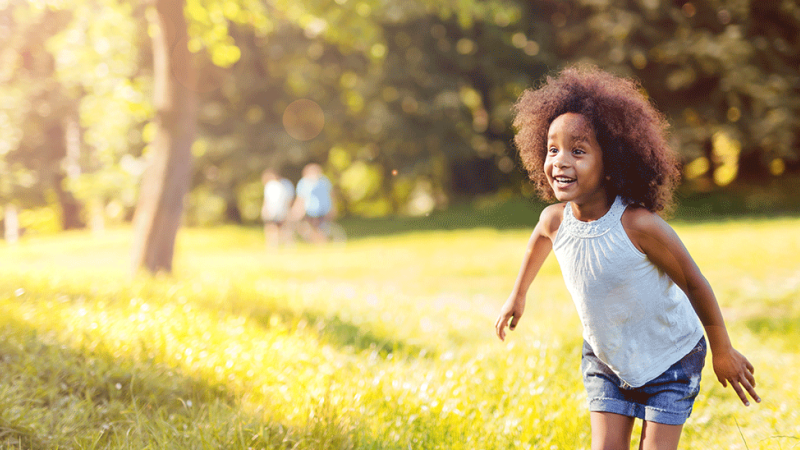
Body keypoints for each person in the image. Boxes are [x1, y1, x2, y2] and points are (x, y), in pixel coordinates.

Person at [494, 66, 760, 450]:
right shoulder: (555, 220)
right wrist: (518, 294)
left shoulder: (639, 226)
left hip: (671, 358)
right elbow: (539, 240)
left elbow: (694, 282)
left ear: (612, 162)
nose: (560, 161)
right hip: (607, 359)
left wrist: (722, 349)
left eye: (578, 151)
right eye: (553, 149)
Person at [291, 162, 334, 243]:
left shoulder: (323, 181)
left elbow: (330, 195)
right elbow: (301, 198)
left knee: (317, 227)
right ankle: (320, 242)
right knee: (311, 228)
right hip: (310, 209)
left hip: (320, 210)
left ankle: (322, 242)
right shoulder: (305, 182)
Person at [261, 168, 295, 248]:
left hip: (283, 211)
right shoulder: (269, 185)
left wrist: (289, 211)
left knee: (285, 229)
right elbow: (266, 200)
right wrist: (265, 209)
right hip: (271, 211)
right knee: (271, 229)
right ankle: (272, 247)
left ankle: (289, 247)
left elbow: (290, 199)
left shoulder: (286, 184)